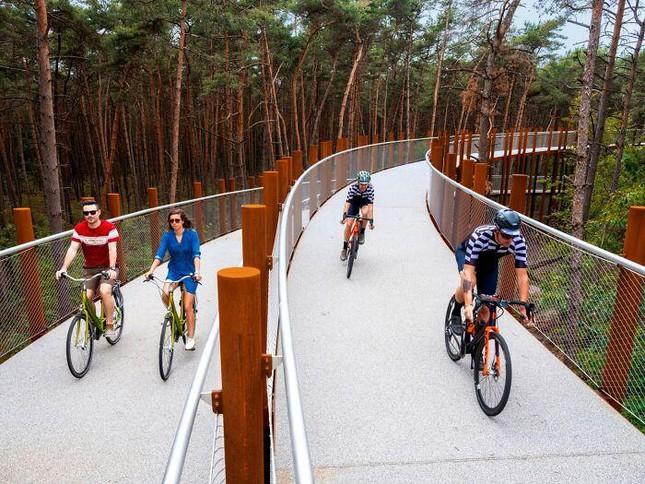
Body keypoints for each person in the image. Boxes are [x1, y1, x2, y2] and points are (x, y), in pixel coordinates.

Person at [451, 208, 529, 328]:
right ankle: (456, 311)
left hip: (489, 262)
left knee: (487, 304)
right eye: (506, 235)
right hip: (467, 256)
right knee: (469, 283)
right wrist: (467, 305)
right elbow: (467, 273)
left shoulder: (518, 242)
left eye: (513, 236)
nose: (510, 240)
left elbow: (522, 276)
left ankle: (477, 337)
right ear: (496, 230)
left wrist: (523, 305)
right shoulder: (480, 236)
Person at [55, 200, 121, 336]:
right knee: (86, 297)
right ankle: (93, 320)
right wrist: (63, 268)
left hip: (107, 268)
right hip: (90, 269)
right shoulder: (79, 228)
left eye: (92, 212)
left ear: (99, 212)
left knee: (104, 290)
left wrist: (112, 268)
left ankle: (109, 325)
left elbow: (112, 249)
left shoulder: (109, 228)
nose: (89, 215)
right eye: (86, 213)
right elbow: (73, 249)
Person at [144, 209, 202, 351]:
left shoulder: (192, 235)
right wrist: (151, 271)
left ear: (182, 221)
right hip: (174, 272)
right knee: (165, 294)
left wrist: (197, 272)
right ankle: (174, 315)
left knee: (188, 306)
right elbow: (159, 255)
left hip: (190, 273)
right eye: (171, 221)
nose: (174, 223)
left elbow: (196, 255)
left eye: (177, 220)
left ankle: (190, 337)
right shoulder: (167, 236)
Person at [340, 170, 375, 261]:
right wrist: (344, 215)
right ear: (358, 182)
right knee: (349, 224)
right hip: (354, 203)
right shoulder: (353, 188)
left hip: (364, 202)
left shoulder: (370, 189)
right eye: (361, 184)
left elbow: (370, 207)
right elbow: (347, 203)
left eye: (365, 184)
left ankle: (362, 232)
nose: (363, 186)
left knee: (365, 213)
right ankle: (344, 248)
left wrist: (371, 221)